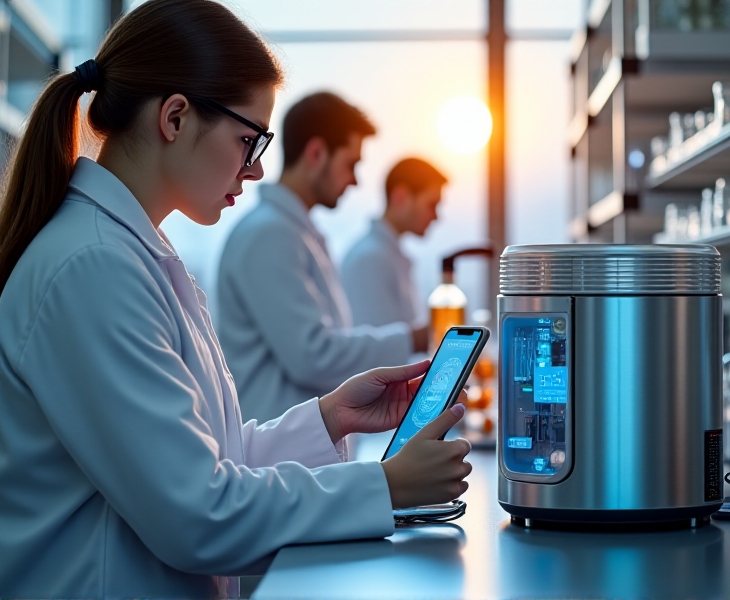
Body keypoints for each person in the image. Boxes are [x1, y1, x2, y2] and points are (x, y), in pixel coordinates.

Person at [0, 1, 471, 597]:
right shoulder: (92, 266)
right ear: (174, 117)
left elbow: (204, 459)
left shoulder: (132, 254)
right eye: (248, 140)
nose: (255, 170)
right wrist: (385, 488)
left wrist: (330, 419)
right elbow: (195, 515)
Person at [217, 93, 428, 423]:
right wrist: (414, 338)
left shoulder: (294, 232)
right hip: (277, 456)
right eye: (351, 164)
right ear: (316, 153)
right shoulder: (269, 235)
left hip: (299, 451)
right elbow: (312, 356)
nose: (355, 180)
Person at [341, 157, 447, 328]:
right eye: (431, 205)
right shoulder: (370, 260)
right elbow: (379, 350)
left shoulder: (385, 255)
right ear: (400, 197)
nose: (436, 216)